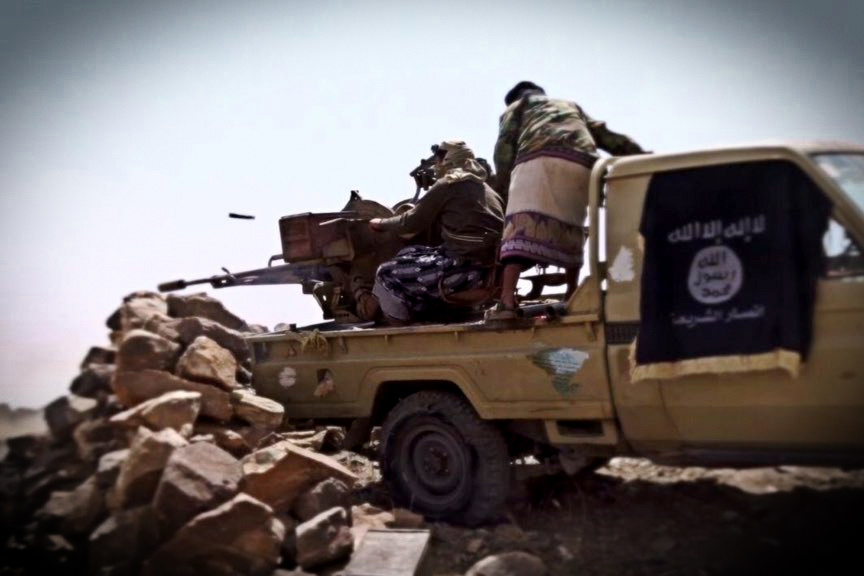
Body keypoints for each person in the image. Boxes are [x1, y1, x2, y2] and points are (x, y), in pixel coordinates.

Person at [492, 81, 646, 316]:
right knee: (571, 227)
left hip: (538, 159)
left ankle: (506, 301)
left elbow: (504, 150)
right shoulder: (568, 106)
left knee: (519, 229)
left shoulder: (516, 108)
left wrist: (504, 189)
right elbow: (606, 136)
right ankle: (571, 292)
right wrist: (642, 158)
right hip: (584, 165)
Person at [369, 140, 504, 324]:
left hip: (461, 273)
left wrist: (380, 223)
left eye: (439, 157)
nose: (437, 163)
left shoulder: (449, 184)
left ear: (448, 159)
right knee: (409, 252)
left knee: (386, 272)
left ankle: (405, 327)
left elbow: (410, 223)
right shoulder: (488, 190)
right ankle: (428, 310)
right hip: (486, 271)